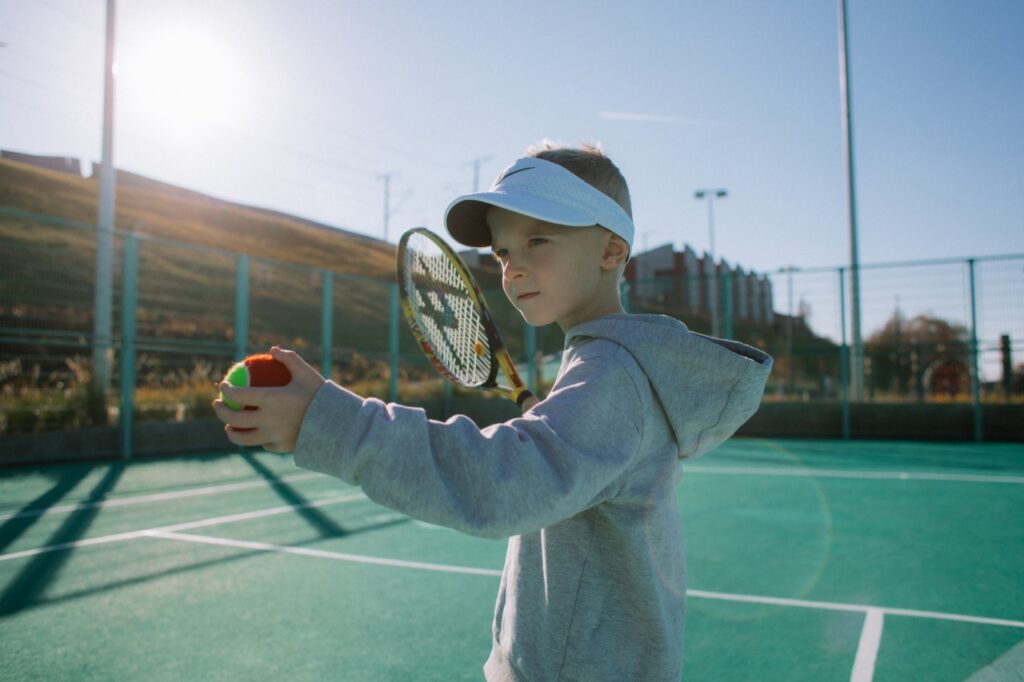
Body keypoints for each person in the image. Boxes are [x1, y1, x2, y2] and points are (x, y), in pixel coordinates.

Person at [214, 141, 773, 681]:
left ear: (611, 251)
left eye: (538, 241)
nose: (513, 268)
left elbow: (501, 483)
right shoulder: (618, 368)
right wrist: (540, 409)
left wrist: (330, 421)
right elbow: (572, 453)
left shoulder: (611, 377)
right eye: (504, 252)